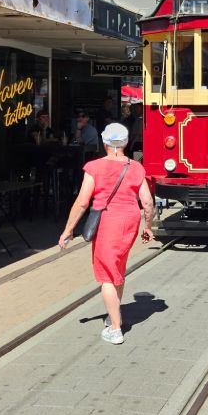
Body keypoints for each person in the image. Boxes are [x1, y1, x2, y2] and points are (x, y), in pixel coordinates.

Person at [58, 123, 154, 345]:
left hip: (108, 222)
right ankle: (114, 313)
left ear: (104, 142)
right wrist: (148, 226)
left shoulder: (94, 167)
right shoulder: (136, 167)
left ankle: (115, 328)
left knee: (107, 276)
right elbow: (147, 202)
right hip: (130, 221)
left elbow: (82, 203)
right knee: (118, 268)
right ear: (126, 143)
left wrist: (68, 230)